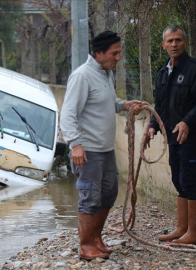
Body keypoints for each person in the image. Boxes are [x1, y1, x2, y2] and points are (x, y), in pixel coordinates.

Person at [60, 30, 145, 260]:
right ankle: (86, 245)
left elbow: (102, 102)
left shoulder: (105, 73)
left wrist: (123, 105)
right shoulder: (82, 76)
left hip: (105, 149)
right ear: (99, 53)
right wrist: (75, 144)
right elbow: (68, 114)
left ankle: (96, 238)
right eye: (114, 54)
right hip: (87, 151)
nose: (118, 58)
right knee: (90, 196)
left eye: (119, 53)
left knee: (108, 193)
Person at [147, 25, 196, 246]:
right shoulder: (162, 72)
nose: (174, 44)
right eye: (170, 41)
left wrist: (187, 121)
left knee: (190, 180)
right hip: (172, 136)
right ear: (163, 45)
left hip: (192, 135)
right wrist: (152, 126)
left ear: (184, 43)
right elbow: (160, 105)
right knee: (178, 179)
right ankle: (182, 228)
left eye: (178, 40)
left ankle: (195, 234)